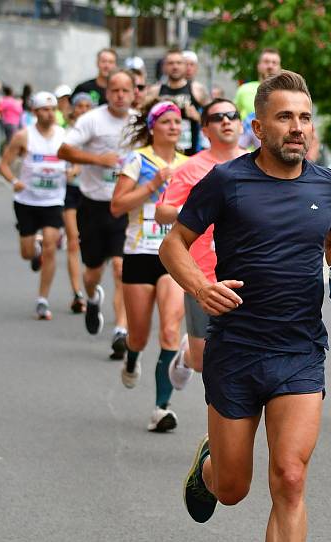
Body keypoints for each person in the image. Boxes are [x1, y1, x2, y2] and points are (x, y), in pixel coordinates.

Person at [159, 70, 331, 542]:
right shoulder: (227, 181)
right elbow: (173, 244)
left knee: (291, 477)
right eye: (284, 117)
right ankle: (209, 468)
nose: (297, 128)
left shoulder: (329, 186)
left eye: (304, 118)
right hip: (236, 350)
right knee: (232, 489)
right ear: (259, 126)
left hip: (299, 351)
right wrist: (200, 288)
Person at [155, 98, 247, 390]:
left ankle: (220, 431)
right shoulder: (192, 167)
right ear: (205, 129)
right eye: (218, 117)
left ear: (241, 124)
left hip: (248, 272)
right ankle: (185, 354)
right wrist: (197, 212)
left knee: (239, 354)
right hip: (202, 273)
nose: (226, 121)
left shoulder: (257, 163)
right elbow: (162, 211)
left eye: (232, 116)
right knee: (201, 361)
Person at [110, 100, 188, 432]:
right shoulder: (137, 159)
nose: (173, 126)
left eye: (177, 122)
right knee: (139, 336)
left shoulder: (190, 163)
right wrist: (154, 184)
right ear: (153, 126)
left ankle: (161, 408)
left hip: (176, 253)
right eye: (166, 121)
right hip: (140, 252)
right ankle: (132, 356)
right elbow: (117, 206)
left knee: (170, 329)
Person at [58, 69, 137, 358]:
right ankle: (91, 298)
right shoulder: (92, 120)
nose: (119, 95)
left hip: (125, 205)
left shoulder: (138, 122)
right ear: (107, 93)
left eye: (125, 90)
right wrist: (97, 159)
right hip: (92, 205)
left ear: (133, 93)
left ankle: (121, 331)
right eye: (114, 90)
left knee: (120, 268)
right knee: (92, 272)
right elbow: (63, 150)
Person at [0, 92, 67, 320]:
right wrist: (14, 181)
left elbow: (77, 160)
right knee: (27, 253)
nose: (50, 113)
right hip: (26, 201)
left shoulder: (64, 136)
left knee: (50, 245)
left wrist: (74, 170)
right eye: (45, 109)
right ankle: (34, 251)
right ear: (35, 112)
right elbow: (4, 165)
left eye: (53, 108)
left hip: (53, 201)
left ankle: (42, 300)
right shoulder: (23, 136)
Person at [62, 92, 95, 314]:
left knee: (93, 246)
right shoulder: (66, 134)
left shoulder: (99, 134)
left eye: (87, 106)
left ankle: (92, 286)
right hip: (70, 192)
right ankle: (77, 293)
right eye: (79, 106)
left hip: (93, 196)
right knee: (73, 241)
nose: (83, 109)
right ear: (73, 109)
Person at [145, 48, 206, 157]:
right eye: (170, 63)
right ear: (164, 67)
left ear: (185, 66)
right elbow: (142, 117)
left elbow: (212, 119)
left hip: (189, 153)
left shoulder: (197, 89)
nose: (175, 66)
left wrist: (197, 117)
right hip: (160, 153)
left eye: (179, 63)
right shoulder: (155, 91)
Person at [234, 47, 281, 122]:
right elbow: (234, 117)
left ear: (279, 67)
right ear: (258, 66)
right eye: (266, 62)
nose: (270, 66)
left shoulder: (285, 92)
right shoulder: (244, 89)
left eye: (274, 63)